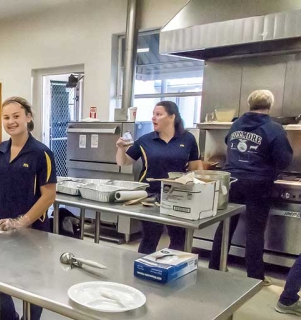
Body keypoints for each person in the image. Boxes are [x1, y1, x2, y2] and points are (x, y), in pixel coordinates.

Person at [0, 96, 57, 320]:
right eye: (6, 117)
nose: (11, 121)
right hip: (1, 230)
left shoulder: (42, 153)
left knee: (32, 287)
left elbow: (49, 195)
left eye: (16, 116)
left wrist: (23, 222)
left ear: (28, 117)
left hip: (33, 233)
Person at [209, 90, 292, 281]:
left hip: (232, 180)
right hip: (258, 184)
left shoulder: (236, 123)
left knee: (226, 224)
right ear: (270, 105)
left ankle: (215, 266)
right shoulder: (274, 128)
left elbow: (228, 142)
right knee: (255, 231)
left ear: (249, 104)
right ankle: (255, 277)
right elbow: (284, 159)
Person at [115, 101, 202, 254]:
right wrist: (120, 148)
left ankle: (171, 268)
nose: (153, 118)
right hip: (150, 196)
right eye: (153, 114)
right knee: (150, 237)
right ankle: (142, 270)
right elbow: (124, 162)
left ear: (172, 117)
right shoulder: (145, 140)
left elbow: (196, 168)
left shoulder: (188, 139)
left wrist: (199, 191)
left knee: (178, 237)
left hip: (178, 195)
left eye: (158, 114)